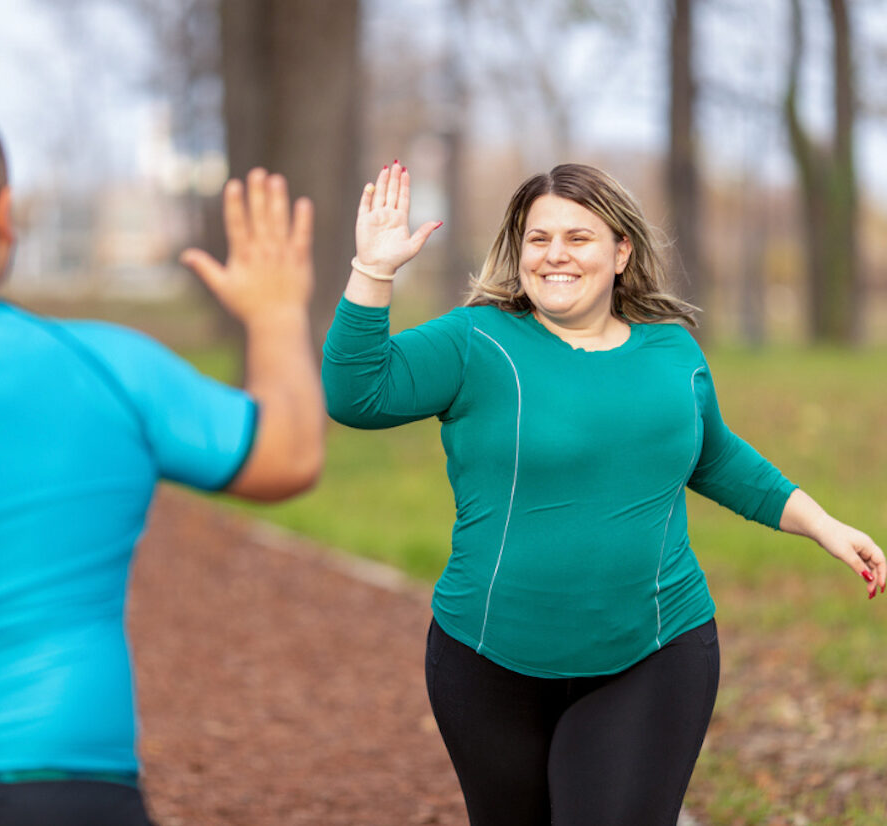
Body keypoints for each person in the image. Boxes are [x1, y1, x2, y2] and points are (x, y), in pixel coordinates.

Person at [322, 161, 885, 826]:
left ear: (621, 251)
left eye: (578, 237)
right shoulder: (476, 340)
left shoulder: (672, 352)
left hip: (652, 652)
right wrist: (374, 271)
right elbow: (359, 395)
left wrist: (823, 524)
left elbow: (714, 455)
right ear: (518, 250)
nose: (555, 254)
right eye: (538, 238)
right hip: (487, 659)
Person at [0, 93, 323, 825]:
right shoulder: (109, 366)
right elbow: (289, 454)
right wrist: (273, 314)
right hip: (71, 787)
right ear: (4, 214)